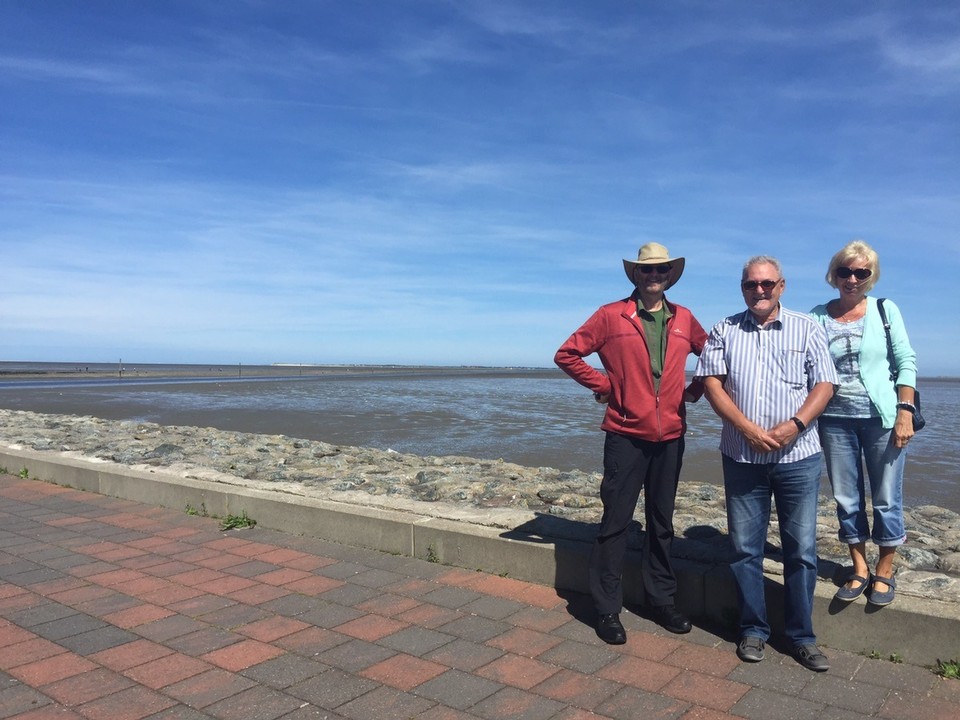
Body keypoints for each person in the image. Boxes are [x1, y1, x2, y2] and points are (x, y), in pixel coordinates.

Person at [555, 242, 707, 644]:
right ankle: (606, 609)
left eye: (661, 271)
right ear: (635, 276)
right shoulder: (610, 315)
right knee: (615, 523)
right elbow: (567, 354)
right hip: (624, 435)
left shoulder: (684, 318)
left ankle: (662, 600)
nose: (654, 276)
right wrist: (605, 385)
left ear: (670, 275)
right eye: (646, 271)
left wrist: (693, 392)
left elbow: (715, 358)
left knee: (662, 524)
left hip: (671, 436)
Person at [694, 256, 838, 672]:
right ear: (742, 287)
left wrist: (796, 424)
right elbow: (711, 384)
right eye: (750, 284)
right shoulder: (725, 329)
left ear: (782, 286)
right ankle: (753, 629)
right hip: (742, 456)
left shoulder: (806, 328)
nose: (759, 291)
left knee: (802, 550)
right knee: (743, 549)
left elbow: (824, 384)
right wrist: (745, 428)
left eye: (767, 284)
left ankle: (801, 637)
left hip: (798, 457)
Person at [809, 240, 917, 607]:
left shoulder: (886, 310)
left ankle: (884, 571)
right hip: (834, 421)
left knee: (887, 498)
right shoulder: (818, 316)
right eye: (845, 271)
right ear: (834, 274)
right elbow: (803, 366)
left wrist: (905, 411)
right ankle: (858, 567)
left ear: (871, 277)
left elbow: (906, 361)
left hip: (883, 419)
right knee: (846, 498)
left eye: (861, 272)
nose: (852, 279)